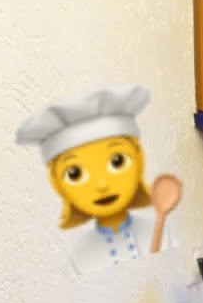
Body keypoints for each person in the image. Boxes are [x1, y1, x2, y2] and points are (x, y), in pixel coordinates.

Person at [16, 84, 176, 277]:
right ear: (58, 185)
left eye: (117, 161)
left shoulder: (162, 234)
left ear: (139, 161)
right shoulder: (79, 259)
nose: (102, 185)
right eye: (75, 173)